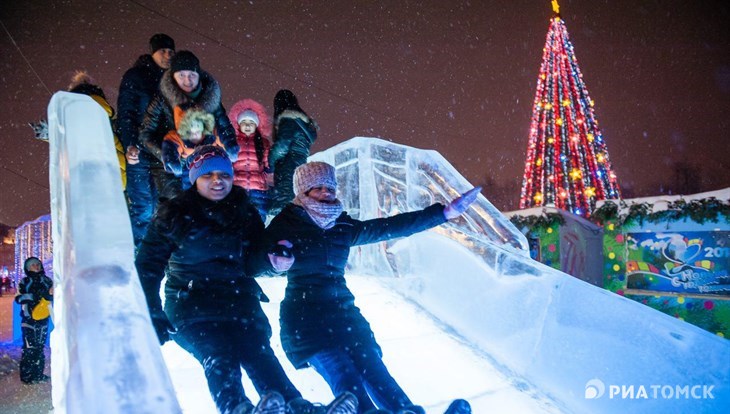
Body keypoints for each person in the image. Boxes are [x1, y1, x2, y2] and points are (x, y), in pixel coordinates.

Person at [135, 146, 358, 414]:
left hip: (239, 301)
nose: (217, 180)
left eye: (224, 174)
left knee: (259, 353)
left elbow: (253, 260)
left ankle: (297, 407)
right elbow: (148, 265)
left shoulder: (244, 212)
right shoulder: (174, 214)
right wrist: (152, 311)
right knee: (219, 355)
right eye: (208, 175)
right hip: (191, 305)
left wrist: (273, 261)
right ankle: (238, 408)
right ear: (195, 178)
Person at [264, 162, 479, 414]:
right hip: (305, 320)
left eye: (330, 188)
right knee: (345, 376)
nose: (326, 193)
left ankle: (407, 411)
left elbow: (388, 228)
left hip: (344, 314)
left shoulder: (341, 226)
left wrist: (443, 213)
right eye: (317, 187)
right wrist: (275, 264)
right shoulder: (286, 223)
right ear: (302, 191)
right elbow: (255, 259)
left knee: (377, 374)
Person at [139, 50, 238, 201]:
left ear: (198, 75)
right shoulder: (161, 99)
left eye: (192, 75)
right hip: (169, 168)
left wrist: (229, 145)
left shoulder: (210, 97)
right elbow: (146, 133)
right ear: (173, 76)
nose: (187, 80)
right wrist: (167, 155)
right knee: (176, 206)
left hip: (204, 161)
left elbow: (224, 126)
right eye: (181, 75)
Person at [117, 33, 176, 247]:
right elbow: (127, 113)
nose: (167, 55)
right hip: (140, 150)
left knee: (168, 208)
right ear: (153, 52)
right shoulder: (136, 76)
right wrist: (130, 143)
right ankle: (138, 258)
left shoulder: (175, 80)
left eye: (171, 52)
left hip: (166, 151)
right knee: (144, 207)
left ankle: (164, 259)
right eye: (163, 51)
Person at [67, 71, 127, 189]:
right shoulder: (110, 123)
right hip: (118, 182)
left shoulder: (80, 127)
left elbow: (65, 141)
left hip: (97, 185)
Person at [268, 89, 318, 216]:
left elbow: (282, 146)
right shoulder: (304, 124)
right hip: (300, 165)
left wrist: (271, 160)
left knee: (284, 200)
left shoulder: (289, 119)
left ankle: (282, 228)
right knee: (294, 196)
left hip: (288, 163)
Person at [162, 105, 234, 191]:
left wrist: (230, 148)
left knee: (212, 183)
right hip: (189, 166)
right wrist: (172, 162)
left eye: (198, 125)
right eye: (192, 125)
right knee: (188, 186)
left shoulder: (211, 134)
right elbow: (170, 147)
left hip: (209, 162)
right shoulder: (180, 137)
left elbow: (223, 138)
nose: (196, 128)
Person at [228, 98, 274, 220]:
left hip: (258, 189)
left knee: (258, 217)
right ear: (238, 124)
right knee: (236, 218)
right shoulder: (233, 142)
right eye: (244, 122)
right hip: (237, 187)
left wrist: (266, 175)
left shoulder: (263, 143)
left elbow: (267, 164)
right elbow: (228, 163)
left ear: (257, 125)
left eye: (251, 123)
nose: (248, 125)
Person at [15, 257, 54, 384]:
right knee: (29, 348)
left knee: (40, 347)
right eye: (32, 265)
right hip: (29, 321)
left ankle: (38, 374)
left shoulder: (47, 280)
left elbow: (54, 295)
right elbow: (19, 298)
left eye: (37, 264)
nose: (36, 266)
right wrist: (34, 297)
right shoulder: (25, 281)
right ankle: (27, 376)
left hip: (43, 319)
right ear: (27, 268)